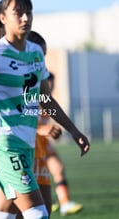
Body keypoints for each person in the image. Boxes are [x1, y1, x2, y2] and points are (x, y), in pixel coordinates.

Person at [0, 0, 90, 219]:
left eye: (28, 12)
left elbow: (46, 100)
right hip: (4, 145)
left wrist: (74, 130)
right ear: (3, 18)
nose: (25, 18)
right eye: (18, 13)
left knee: (4, 215)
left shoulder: (35, 53)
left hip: (27, 144)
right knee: (38, 214)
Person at [27, 31, 84, 216]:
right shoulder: (11, 76)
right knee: (30, 212)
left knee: (45, 211)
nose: (42, 60)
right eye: (39, 55)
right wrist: (41, 128)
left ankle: (65, 202)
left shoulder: (36, 80)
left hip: (40, 151)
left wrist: (73, 130)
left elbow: (47, 104)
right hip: (18, 151)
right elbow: (6, 114)